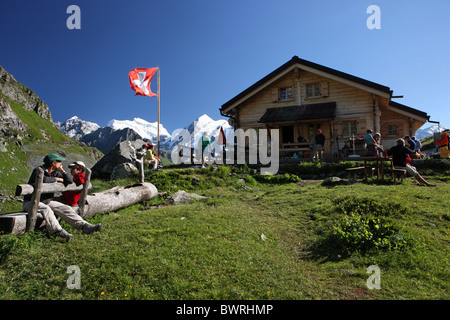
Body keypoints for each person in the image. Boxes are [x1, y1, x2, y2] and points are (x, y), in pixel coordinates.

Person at [23, 154, 102, 242]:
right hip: (31, 202)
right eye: (59, 162)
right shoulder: (38, 170)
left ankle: (85, 226)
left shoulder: (56, 172)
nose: (61, 163)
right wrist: (57, 179)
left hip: (46, 201)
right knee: (46, 209)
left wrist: (62, 171)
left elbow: (69, 180)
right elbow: (44, 179)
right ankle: (57, 232)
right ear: (53, 163)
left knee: (65, 208)